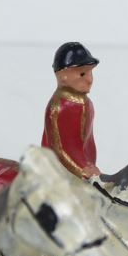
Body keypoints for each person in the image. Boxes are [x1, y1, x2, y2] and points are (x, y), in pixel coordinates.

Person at [41, 42, 100, 179]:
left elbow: (87, 143)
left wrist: (90, 165)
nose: (90, 79)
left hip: (85, 171)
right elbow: (58, 149)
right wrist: (81, 170)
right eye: (82, 74)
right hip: (60, 175)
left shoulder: (86, 104)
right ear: (63, 76)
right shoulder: (58, 108)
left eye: (90, 72)